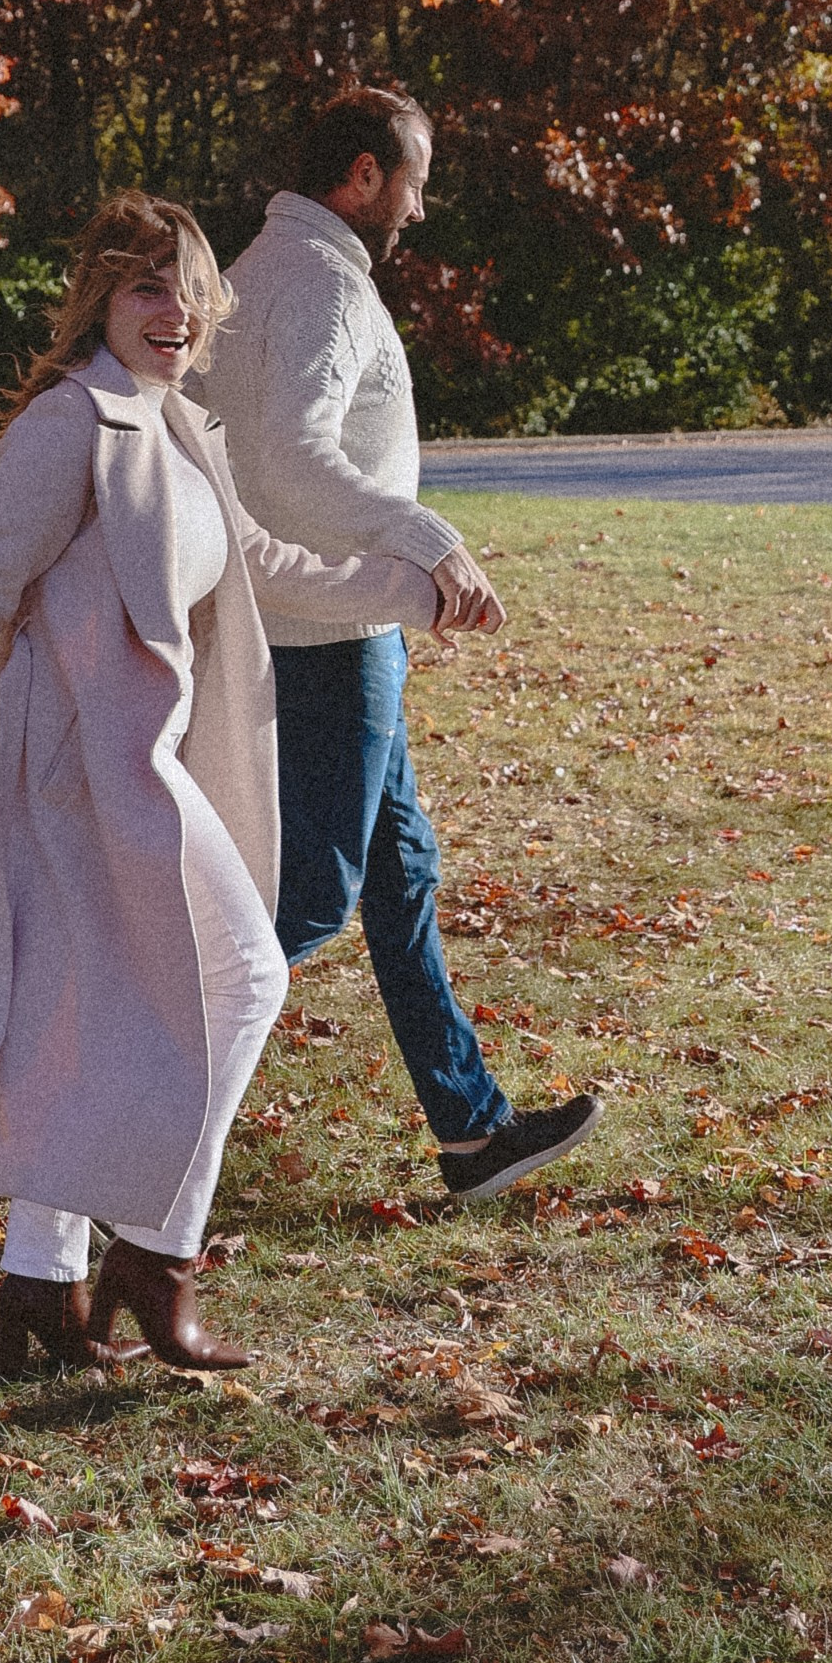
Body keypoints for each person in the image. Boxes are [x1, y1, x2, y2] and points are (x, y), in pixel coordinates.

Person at [0, 190, 465, 1373]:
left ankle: (42, 1292)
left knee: (107, 1014)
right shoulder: (70, 425)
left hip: (139, 766)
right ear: (100, 295)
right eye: (149, 288)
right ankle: (154, 1255)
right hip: (71, 773)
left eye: (192, 292)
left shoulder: (180, 426)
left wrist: (415, 588)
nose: (176, 313)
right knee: (242, 976)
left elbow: (263, 565)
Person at [203, 84, 601, 1203]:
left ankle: (470, 1132)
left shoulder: (255, 270)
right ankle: (123, 1115)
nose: (418, 212)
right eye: (413, 184)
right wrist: (424, 538)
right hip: (327, 634)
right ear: (364, 176)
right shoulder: (321, 285)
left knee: (399, 876)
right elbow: (286, 464)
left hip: (329, 625)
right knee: (309, 904)